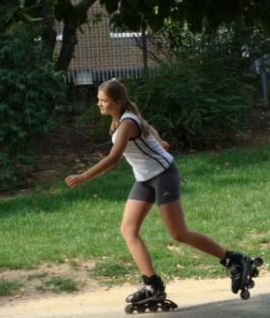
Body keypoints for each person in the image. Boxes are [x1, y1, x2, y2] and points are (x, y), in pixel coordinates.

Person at [65, 79, 254, 305]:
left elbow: (114, 157)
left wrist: (83, 176)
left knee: (178, 233)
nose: (99, 104)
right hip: (145, 179)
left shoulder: (126, 122)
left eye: (103, 101)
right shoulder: (121, 119)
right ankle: (152, 285)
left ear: (117, 101)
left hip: (163, 174)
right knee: (128, 229)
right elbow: (146, 126)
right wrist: (158, 140)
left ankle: (234, 260)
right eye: (98, 100)